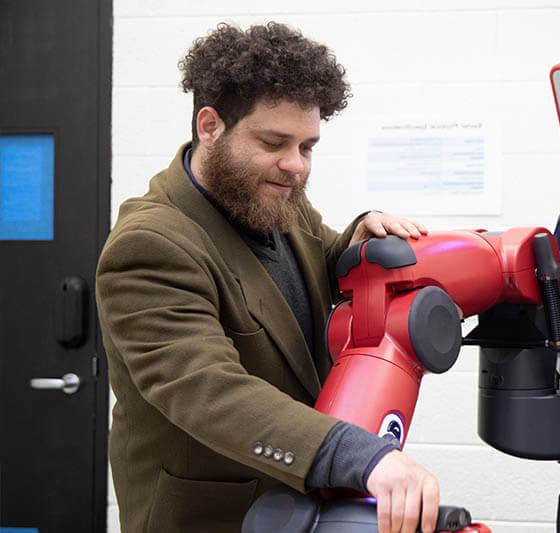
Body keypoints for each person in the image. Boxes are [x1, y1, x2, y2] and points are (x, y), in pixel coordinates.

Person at [96, 21, 440, 533]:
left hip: (296, 508)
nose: (295, 166)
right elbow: (209, 390)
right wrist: (358, 455)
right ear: (209, 125)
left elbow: (309, 270)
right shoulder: (150, 246)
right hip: (211, 516)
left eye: (307, 146)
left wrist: (356, 241)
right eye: (275, 141)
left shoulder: (273, 195)